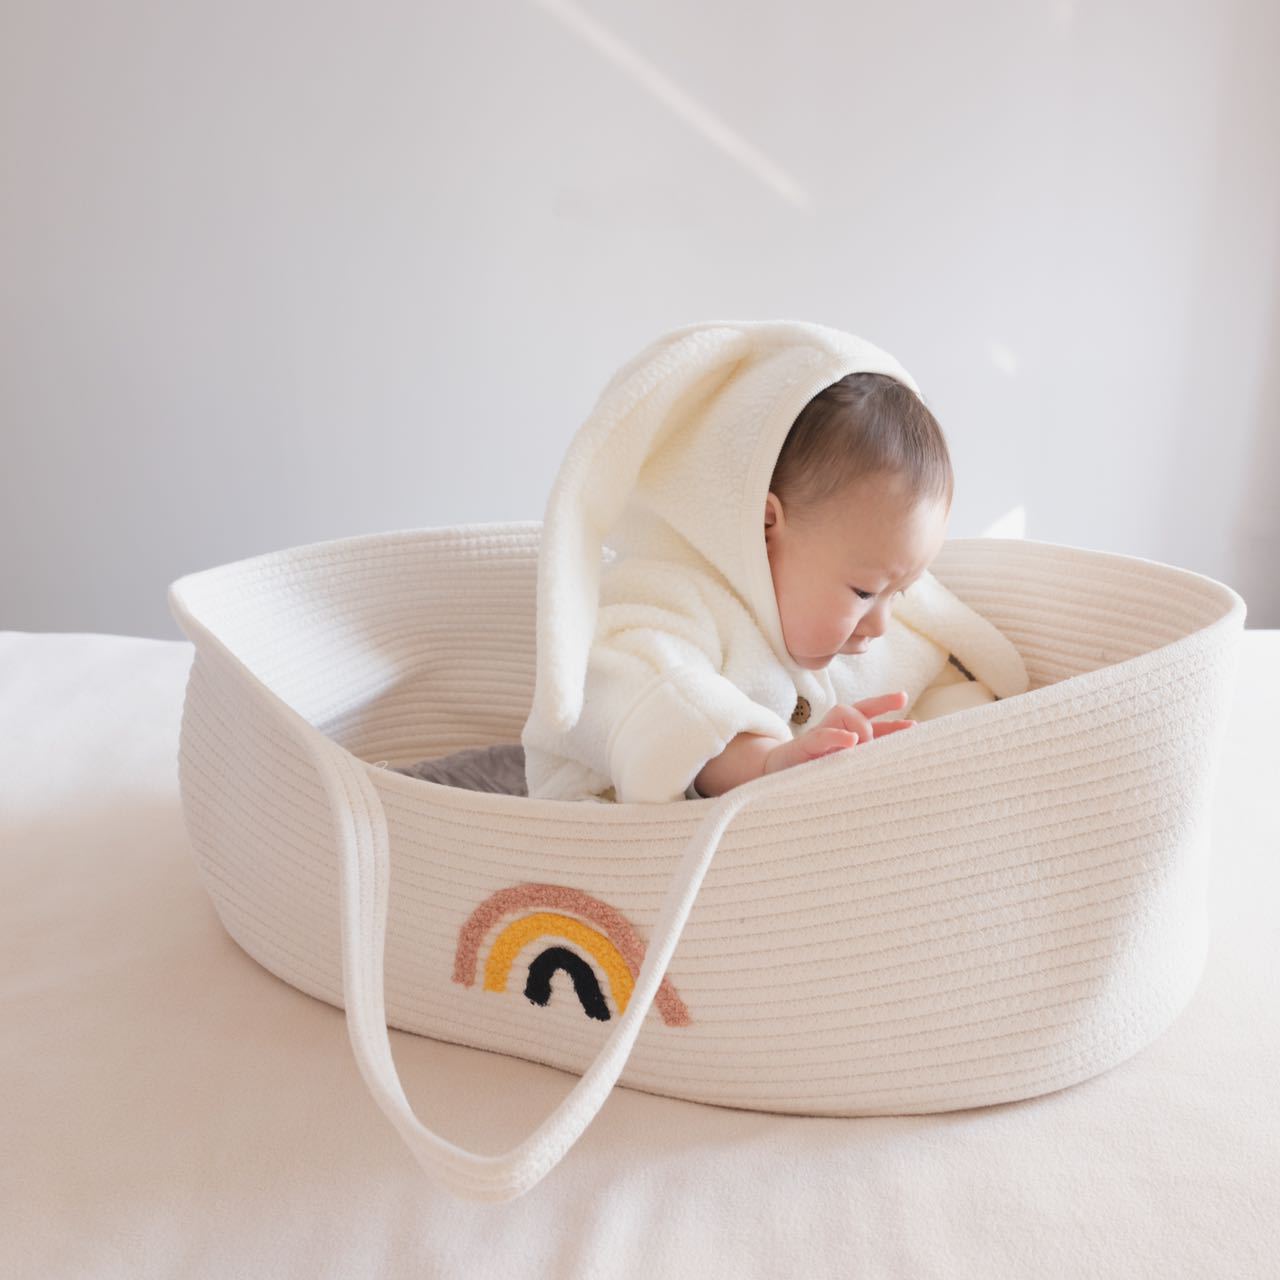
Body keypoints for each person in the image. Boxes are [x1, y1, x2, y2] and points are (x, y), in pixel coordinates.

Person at [520, 320, 967, 805]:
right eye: (863, 592)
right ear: (766, 526)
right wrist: (768, 763)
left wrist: (932, 749)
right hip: (616, 833)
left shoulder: (874, 627)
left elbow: (945, 683)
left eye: (900, 592)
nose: (882, 624)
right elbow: (655, 697)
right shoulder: (669, 597)